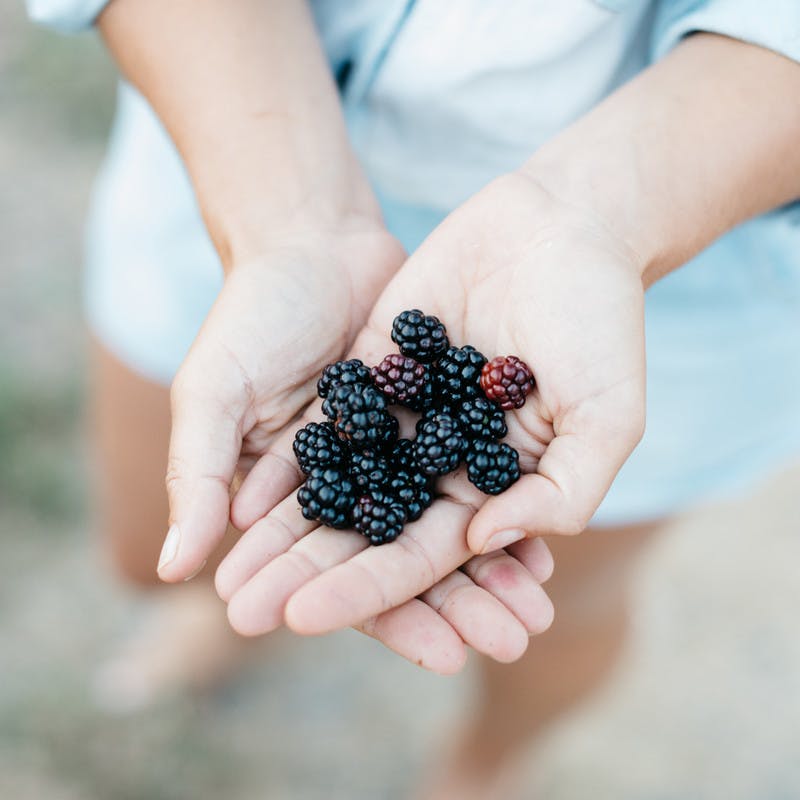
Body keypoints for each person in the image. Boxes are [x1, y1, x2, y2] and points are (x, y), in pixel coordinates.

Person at [29, 0, 800, 795]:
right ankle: (224, 621)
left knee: (561, 601)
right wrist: (290, 223)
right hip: (255, 148)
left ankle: (488, 761)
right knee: (154, 546)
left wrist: (594, 220)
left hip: (675, 230)